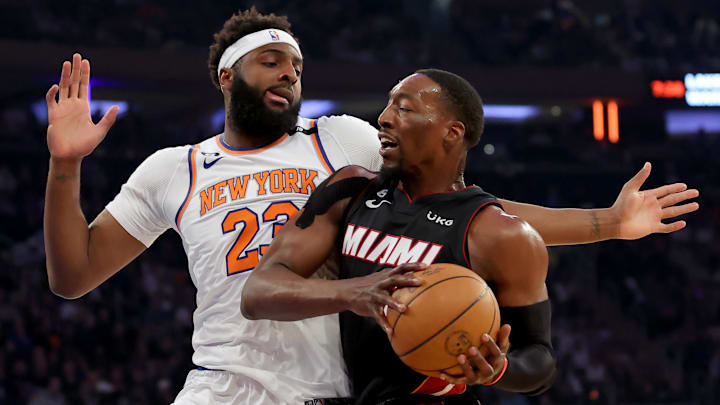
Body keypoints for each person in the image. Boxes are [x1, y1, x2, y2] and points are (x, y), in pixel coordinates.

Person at [43, 8, 698, 405]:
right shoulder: (173, 166)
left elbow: (474, 208)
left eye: (296, 66)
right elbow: (72, 277)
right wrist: (66, 166)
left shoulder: (339, 140)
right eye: (271, 62)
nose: (288, 74)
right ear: (227, 75)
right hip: (219, 384)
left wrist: (607, 223)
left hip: (330, 388)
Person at [241, 69, 557, 404]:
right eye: (388, 106)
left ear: (452, 132)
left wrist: (500, 370)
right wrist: (351, 293)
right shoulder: (350, 190)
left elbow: (541, 360)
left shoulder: (500, 233)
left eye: (404, 109)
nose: (384, 118)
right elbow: (257, 294)